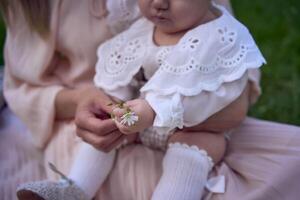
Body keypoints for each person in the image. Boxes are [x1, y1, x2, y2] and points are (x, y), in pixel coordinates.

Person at [1, 0, 300, 200]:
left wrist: (156, 110)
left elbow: (222, 91)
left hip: (196, 126)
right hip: (125, 124)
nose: (159, 2)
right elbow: (120, 72)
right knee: (104, 138)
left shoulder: (219, 35)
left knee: (198, 150)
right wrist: (108, 102)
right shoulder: (144, 28)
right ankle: (74, 187)